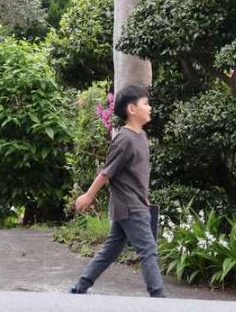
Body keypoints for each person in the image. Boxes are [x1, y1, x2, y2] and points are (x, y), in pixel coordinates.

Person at [68, 84, 165, 297]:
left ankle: (80, 287)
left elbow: (135, 175)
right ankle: (159, 298)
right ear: (132, 109)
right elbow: (107, 172)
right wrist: (89, 195)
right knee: (148, 250)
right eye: (145, 104)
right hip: (130, 206)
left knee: (112, 248)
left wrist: (145, 197)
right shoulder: (124, 139)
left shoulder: (141, 137)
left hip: (135, 203)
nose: (149, 108)